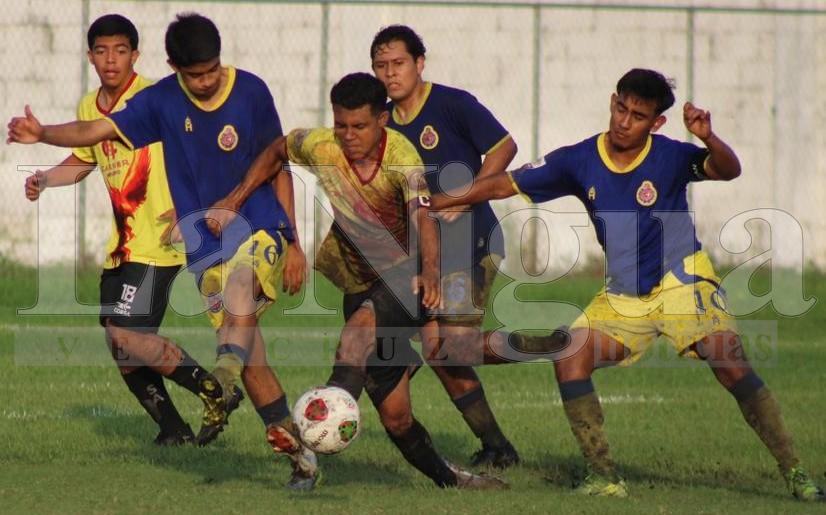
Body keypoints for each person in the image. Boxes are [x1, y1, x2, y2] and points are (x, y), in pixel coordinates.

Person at [428, 68, 825, 501]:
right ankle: (603, 476)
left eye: (637, 115)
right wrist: (439, 200)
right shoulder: (578, 158)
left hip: (681, 280)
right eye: (621, 107)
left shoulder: (671, 156)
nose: (624, 120)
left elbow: (728, 170)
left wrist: (709, 138)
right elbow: (505, 183)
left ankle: (796, 473)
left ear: (656, 123)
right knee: (571, 356)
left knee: (729, 363)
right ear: (613, 99)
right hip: (623, 294)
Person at [8, 12, 318, 491]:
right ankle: (300, 456)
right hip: (204, 246)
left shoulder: (252, 91)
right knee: (254, 358)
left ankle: (221, 375)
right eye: (195, 75)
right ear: (174, 67)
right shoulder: (159, 102)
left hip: (257, 224)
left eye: (212, 70)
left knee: (239, 296)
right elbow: (97, 134)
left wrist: (294, 240)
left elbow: (276, 159)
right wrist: (43, 133)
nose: (207, 81)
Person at [209, 72, 507, 489]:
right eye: (341, 125)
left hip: (410, 277)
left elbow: (423, 216)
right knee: (396, 413)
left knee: (358, 333)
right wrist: (236, 198)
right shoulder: (321, 146)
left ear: (382, 120)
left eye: (359, 126)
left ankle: (311, 436)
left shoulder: (402, 158)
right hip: (362, 280)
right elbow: (277, 149)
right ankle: (454, 483)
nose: (348, 136)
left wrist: (430, 268)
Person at [371, 24, 568, 468]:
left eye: (398, 63)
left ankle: (547, 345)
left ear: (420, 63)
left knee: (453, 348)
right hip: (420, 253)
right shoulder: (382, 122)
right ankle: (499, 449)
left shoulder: (452, 103)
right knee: (441, 355)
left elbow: (505, 146)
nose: (390, 73)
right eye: (381, 66)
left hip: (470, 240)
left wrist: (467, 195)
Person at [22, 13, 223, 446]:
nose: (111, 59)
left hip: (160, 240)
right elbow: (84, 160)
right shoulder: (88, 107)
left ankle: (216, 390)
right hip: (124, 245)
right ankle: (174, 431)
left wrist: (195, 209)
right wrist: (45, 179)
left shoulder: (155, 97)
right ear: (90, 56)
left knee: (125, 334)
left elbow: (201, 148)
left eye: (120, 50)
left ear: (135, 54)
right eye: (101, 50)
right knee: (122, 348)